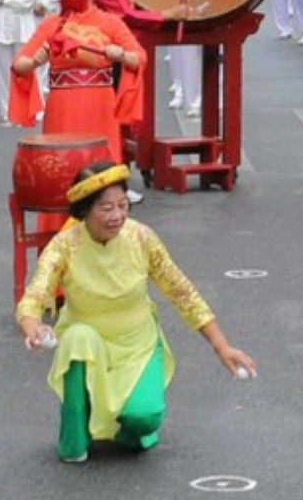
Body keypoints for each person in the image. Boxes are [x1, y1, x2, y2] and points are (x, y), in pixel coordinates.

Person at [17, 163, 255, 461]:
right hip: (88, 341)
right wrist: (34, 328)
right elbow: (35, 295)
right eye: (106, 208)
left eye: (122, 205)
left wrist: (221, 346)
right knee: (78, 336)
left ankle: (121, 426)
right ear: (84, 210)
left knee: (144, 418)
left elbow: (182, 292)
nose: (117, 216)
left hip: (136, 344)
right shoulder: (64, 246)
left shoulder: (141, 238)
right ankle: (75, 436)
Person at [7, 0, 147, 165]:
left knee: (101, 166)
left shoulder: (111, 23)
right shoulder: (51, 24)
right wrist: (36, 61)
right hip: (62, 107)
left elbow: (138, 58)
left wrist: (122, 55)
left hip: (100, 105)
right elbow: (19, 65)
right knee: (62, 164)